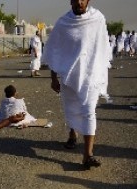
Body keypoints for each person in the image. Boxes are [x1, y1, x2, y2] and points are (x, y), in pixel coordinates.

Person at [42, 0, 110, 169]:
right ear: (70, 1)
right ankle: (73, 134)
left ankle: (88, 155)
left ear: (88, 1)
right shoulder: (63, 23)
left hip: (90, 75)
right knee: (71, 109)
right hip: (69, 75)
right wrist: (53, 78)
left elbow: (102, 47)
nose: (79, 1)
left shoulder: (98, 19)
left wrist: (101, 72)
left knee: (88, 111)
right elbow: (54, 50)